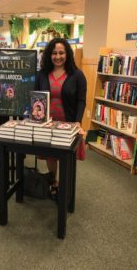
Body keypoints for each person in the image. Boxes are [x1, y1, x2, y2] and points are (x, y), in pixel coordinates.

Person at [35, 37, 87, 200]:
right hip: (47, 123)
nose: (58, 56)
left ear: (68, 54)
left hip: (68, 122)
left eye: (61, 53)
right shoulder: (42, 74)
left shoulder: (77, 75)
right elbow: (36, 97)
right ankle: (54, 182)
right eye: (54, 53)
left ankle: (65, 186)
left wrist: (78, 122)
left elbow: (81, 100)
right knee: (50, 155)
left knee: (66, 156)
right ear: (49, 55)